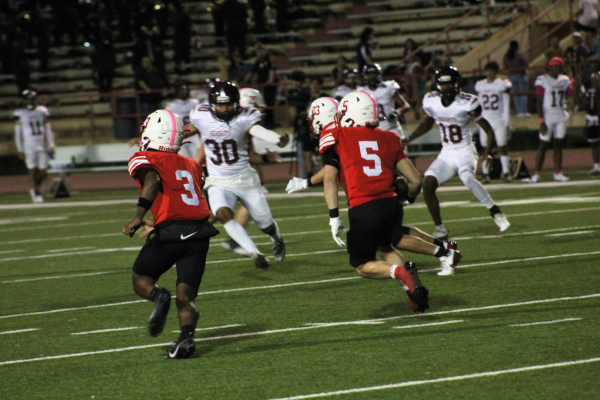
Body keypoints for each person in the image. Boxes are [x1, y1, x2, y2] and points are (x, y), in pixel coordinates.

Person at [287, 96, 461, 276]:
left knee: (391, 240)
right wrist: (307, 182)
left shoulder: (338, 135)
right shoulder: (374, 134)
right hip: (389, 194)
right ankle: (435, 254)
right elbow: (415, 179)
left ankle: (440, 255)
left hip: (370, 196)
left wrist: (330, 212)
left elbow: (331, 172)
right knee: (389, 239)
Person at [319, 91, 429, 312]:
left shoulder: (337, 134)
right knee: (385, 248)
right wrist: (407, 199)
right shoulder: (390, 138)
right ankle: (414, 293)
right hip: (391, 206)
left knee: (361, 265)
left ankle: (400, 272)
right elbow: (416, 181)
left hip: (362, 207)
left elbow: (329, 178)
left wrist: (333, 215)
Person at [123, 110, 219, 359]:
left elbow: (153, 180)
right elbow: (189, 200)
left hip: (172, 233)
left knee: (140, 277)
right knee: (186, 294)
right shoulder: (193, 165)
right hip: (199, 232)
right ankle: (186, 340)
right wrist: (159, 222)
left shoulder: (143, 158)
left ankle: (158, 295)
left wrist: (137, 217)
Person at [187, 81, 289, 269]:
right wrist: (152, 137)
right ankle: (254, 252)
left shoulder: (245, 117)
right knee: (222, 213)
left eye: (228, 104)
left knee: (265, 225)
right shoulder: (201, 116)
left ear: (236, 103)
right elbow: (186, 130)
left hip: (245, 179)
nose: (224, 109)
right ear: (211, 104)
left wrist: (276, 139)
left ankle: (277, 239)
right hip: (218, 180)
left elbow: (258, 131)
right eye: (220, 104)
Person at [403, 66, 511, 240]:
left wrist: (488, 153)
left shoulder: (467, 103)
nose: (446, 87)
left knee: (467, 178)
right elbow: (427, 123)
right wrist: (410, 138)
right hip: (446, 153)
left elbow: (488, 129)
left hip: (465, 150)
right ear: (438, 85)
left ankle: (496, 212)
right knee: (428, 185)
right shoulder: (432, 102)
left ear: (457, 84)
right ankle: (440, 229)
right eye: (443, 84)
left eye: (450, 84)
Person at [531, 58, 575, 183]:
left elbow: (573, 94)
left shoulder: (564, 80)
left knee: (558, 145)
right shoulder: (543, 80)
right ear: (550, 68)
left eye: (560, 67)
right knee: (543, 145)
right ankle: (536, 173)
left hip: (561, 115)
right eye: (556, 66)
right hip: (548, 115)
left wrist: (572, 78)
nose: (558, 69)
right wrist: (541, 120)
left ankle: (558, 172)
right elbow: (539, 102)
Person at [474, 61, 513, 183]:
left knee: (503, 146)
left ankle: (506, 173)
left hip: (498, 119)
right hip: (485, 120)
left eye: (492, 70)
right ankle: (485, 174)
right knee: (486, 148)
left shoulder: (501, 84)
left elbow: (507, 91)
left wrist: (507, 122)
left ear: (496, 72)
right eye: (488, 70)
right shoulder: (480, 85)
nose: (490, 73)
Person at [14, 90, 55, 203]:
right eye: (28, 99)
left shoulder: (42, 111)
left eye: (32, 99)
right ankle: (36, 193)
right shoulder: (20, 113)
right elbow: (18, 133)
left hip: (41, 144)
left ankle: (34, 189)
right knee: (32, 169)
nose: (30, 101)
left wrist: (51, 144)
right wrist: (20, 149)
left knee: (43, 170)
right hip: (29, 145)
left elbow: (48, 129)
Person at [359, 64, 411, 139]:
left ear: (379, 74)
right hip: (373, 132)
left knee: (399, 150)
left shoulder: (389, 87)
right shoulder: (361, 92)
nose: (372, 76)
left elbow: (405, 105)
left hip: (391, 129)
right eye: (369, 74)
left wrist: (397, 112)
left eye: (374, 74)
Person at [165, 82, 201, 160]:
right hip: (180, 136)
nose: (183, 92)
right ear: (177, 91)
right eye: (181, 90)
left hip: (193, 135)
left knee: (197, 161)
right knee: (184, 161)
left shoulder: (195, 103)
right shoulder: (171, 106)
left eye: (185, 90)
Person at [582, 55, 600, 176]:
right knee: (593, 141)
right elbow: (583, 98)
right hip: (591, 115)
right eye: (590, 64)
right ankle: (596, 166)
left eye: (594, 63)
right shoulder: (587, 82)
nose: (591, 66)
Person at [503, 40, 530, 117]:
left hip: (511, 76)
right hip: (520, 76)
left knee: (516, 95)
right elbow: (526, 64)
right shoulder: (519, 55)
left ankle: (519, 111)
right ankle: (523, 111)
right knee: (522, 94)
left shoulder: (506, 56)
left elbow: (505, 66)